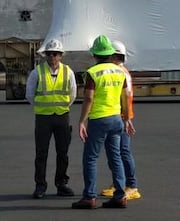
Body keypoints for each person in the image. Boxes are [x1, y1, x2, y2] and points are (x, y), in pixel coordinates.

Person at [72, 35, 131, 209]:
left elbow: (89, 98)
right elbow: (126, 96)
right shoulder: (120, 71)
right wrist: (127, 119)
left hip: (98, 119)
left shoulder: (93, 73)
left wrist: (82, 121)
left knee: (90, 158)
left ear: (95, 55)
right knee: (116, 157)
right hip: (116, 119)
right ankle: (120, 196)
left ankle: (89, 196)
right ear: (110, 54)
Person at [25, 39, 78, 199]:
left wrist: (60, 106)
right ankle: (40, 186)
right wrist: (44, 106)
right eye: (49, 54)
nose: (52, 57)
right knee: (41, 153)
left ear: (61, 56)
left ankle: (61, 184)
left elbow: (72, 94)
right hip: (43, 118)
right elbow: (30, 94)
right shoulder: (37, 72)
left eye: (55, 54)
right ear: (45, 55)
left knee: (63, 153)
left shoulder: (68, 72)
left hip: (62, 116)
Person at [100, 40, 141, 200]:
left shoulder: (121, 73)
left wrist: (127, 118)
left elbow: (126, 97)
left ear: (114, 55)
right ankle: (119, 183)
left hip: (121, 117)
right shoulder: (117, 71)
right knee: (114, 152)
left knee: (123, 151)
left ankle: (131, 185)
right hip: (117, 116)